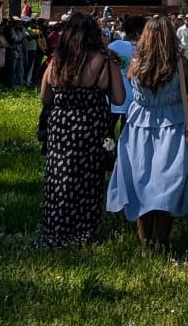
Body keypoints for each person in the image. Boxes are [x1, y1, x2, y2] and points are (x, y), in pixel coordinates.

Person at [36, 13, 126, 247]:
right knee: (89, 177)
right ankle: (82, 228)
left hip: (61, 125)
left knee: (59, 174)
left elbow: (45, 97)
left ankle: (55, 226)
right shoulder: (104, 61)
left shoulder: (56, 62)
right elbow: (119, 99)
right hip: (92, 125)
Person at [107, 14, 188, 250]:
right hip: (172, 124)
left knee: (140, 180)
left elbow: (130, 81)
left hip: (138, 126)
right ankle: (162, 241)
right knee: (169, 181)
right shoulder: (179, 63)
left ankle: (144, 240)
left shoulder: (137, 63)